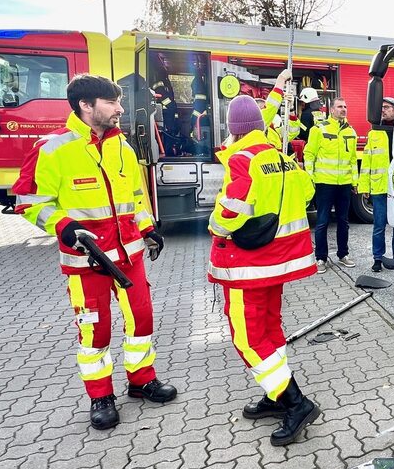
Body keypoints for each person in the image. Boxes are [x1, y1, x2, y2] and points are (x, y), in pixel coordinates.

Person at [12, 74, 177, 430]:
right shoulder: (53, 149)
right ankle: (100, 396)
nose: (120, 109)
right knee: (95, 332)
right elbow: (28, 201)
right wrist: (62, 226)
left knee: (142, 320)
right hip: (86, 262)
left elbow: (135, 197)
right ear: (86, 106)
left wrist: (148, 228)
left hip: (129, 257)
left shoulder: (124, 148)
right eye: (111, 102)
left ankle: (142, 380)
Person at [207, 80, 320, 446]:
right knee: (270, 330)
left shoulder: (242, 158)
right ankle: (276, 395)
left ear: (233, 129)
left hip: (247, 265)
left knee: (248, 337)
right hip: (278, 263)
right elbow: (306, 189)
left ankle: (295, 402)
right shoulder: (280, 156)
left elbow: (232, 210)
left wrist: (215, 227)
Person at [304, 97, 358, 273]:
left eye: (345, 106)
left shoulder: (351, 131)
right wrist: (311, 179)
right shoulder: (319, 129)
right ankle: (321, 258)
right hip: (324, 184)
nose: (343, 109)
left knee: (343, 221)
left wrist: (355, 182)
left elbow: (352, 161)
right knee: (322, 222)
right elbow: (309, 155)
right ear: (331, 110)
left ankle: (343, 255)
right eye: (340, 107)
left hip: (344, 184)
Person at [358, 97, 394, 272]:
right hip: (379, 187)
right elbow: (367, 161)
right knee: (379, 225)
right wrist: (364, 186)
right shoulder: (374, 132)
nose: (383, 110)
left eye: (387, 107)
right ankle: (377, 259)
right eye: (381, 107)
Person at [150, 52, 183, 157]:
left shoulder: (163, 77)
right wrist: (171, 106)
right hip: (166, 113)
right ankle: (169, 153)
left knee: (171, 132)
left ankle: (171, 152)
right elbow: (161, 94)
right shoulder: (159, 78)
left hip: (169, 113)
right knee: (167, 133)